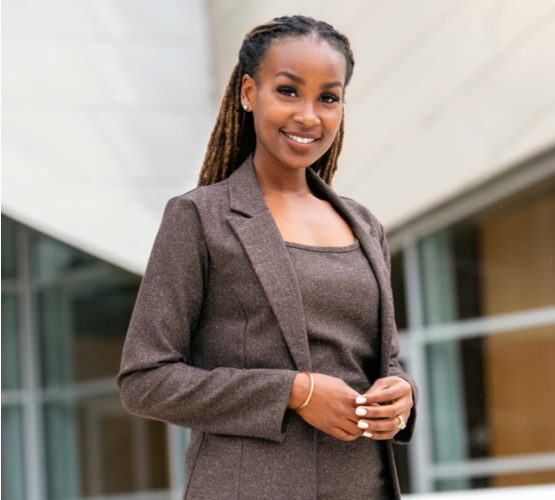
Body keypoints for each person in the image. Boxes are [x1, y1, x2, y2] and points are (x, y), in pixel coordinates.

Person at [117, 15, 417, 499]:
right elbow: (145, 380)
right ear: (249, 93)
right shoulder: (200, 218)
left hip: (364, 486)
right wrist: (295, 392)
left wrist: (401, 397)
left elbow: (384, 361)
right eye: (288, 91)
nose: (308, 116)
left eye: (328, 97)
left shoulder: (364, 225)